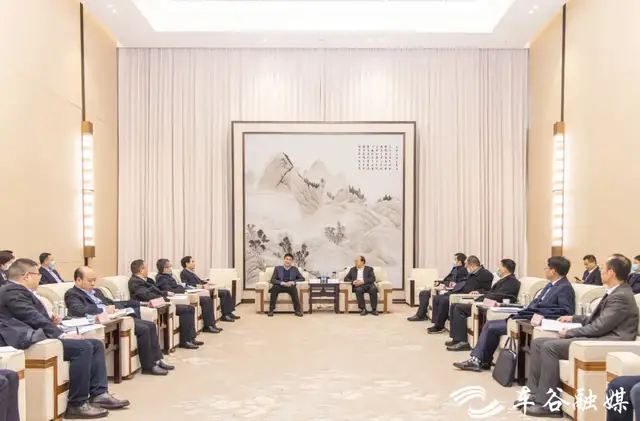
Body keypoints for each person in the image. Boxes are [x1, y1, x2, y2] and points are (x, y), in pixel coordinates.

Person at [0, 258, 129, 419]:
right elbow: (30, 316)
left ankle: (99, 393)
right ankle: (77, 404)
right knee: (83, 347)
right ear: (26, 276)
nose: (40, 277)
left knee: (96, 344)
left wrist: (49, 317)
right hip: (24, 340)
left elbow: (30, 315)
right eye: (38, 274)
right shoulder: (12, 291)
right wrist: (61, 334)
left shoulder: (18, 291)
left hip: (40, 334)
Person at [515, 255, 639, 418]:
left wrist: (570, 332)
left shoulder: (621, 296)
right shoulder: (615, 292)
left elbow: (599, 327)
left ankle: (549, 405)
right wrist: (573, 318)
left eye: (603, 268)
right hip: (601, 335)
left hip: (607, 341)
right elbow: (598, 320)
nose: (601, 271)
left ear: (611, 273)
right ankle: (534, 394)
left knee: (550, 347)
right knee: (538, 342)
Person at [453, 256, 575, 372]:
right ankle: (481, 360)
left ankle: (478, 360)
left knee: (493, 327)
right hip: (527, 315)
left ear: (553, 271)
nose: (545, 270)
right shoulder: (550, 285)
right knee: (490, 324)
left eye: (546, 268)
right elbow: (536, 302)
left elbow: (566, 311)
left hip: (537, 319)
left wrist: (538, 313)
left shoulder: (565, 287)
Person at [64, 266, 174, 376]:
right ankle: (149, 366)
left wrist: (115, 307)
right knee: (143, 329)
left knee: (150, 325)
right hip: (101, 321)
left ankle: (157, 360)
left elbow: (110, 302)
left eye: (94, 280)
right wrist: (104, 309)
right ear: (79, 280)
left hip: (115, 317)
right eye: (90, 281)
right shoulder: (72, 294)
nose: (93, 284)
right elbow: (79, 310)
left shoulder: (97, 291)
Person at [446, 258, 521, 351]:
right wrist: (480, 295)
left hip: (490, 305)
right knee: (454, 305)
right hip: (485, 303)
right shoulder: (503, 280)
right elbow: (491, 292)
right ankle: (456, 339)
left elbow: (501, 296)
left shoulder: (512, 281)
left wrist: (481, 298)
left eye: (499, 267)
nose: (498, 269)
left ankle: (463, 342)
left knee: (459, 308)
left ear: (505, 269)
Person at [128, 259, 202, 349]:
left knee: (190, 308)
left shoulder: (148, 280)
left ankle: (191, 338)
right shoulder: (135, 281)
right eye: (146, 268)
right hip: (152, 305)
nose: (148, 270)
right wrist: (164, 298)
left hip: (162, 302)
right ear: (141, 270)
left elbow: (158, 291)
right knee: (185, 310)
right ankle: (185, 341)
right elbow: (146, 296)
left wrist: (166, 293)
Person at [428, 255, 493, 334]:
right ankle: (436, 323)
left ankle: (439, 326)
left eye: (467, 265)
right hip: (460, 291)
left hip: (466, 295)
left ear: (471, 265)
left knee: (444, 300)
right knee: (438, 298)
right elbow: (464, 282)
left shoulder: (485, 274)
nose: (466, 267)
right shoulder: (472, 272)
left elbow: (487, 289)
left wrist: (478, 291)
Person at [155, 259, 222, 333]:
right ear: (165, 269)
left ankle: (211, 324)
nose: (171, 268)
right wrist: (181, 288)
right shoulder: (161, 278)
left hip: (183, 294)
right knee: (205, 300)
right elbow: (169, 290)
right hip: (178, 296)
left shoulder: (167, 276)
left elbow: (176, 286)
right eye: (170, 266)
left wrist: (180, 287)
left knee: (207, 299)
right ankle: (208, 326)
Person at [407, 252, 468, 322]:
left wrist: (445, 284)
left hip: (449, 291)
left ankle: (420, 315)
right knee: (423, 293)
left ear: (459, 262)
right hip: (443, 288)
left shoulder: (462, 270)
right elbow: (448, 280)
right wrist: (439, 283)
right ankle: (421, 314)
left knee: (425, 293)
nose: (453, 261)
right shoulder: (455, 269)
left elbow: (455, 283)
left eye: (455, 259)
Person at [179, 256, 239, 322]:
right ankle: (225, 315)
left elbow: (199, 281)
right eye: (192, 262)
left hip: (204, 289)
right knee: (224, 293)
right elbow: (187, 284)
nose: (194, 263)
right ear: (187, 264)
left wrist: (206, 283)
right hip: (199, 291)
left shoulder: (191, 272)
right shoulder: (184, 273)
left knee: (226, 291)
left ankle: (229, 313)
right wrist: (201, 286)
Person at [268, 253, 304, 317]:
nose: (288, 261)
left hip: (290, 286)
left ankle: (297, 310)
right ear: (284, 260)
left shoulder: (295, 269)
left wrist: (293, 282)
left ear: (292, 261)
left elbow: (302, 278)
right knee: (274, 288)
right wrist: (282, 283)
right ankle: (271, 310)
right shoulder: (277, 268)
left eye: (290, 260)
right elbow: (272, 280)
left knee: (294, 289)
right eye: (287, 259)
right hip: (279, 286)